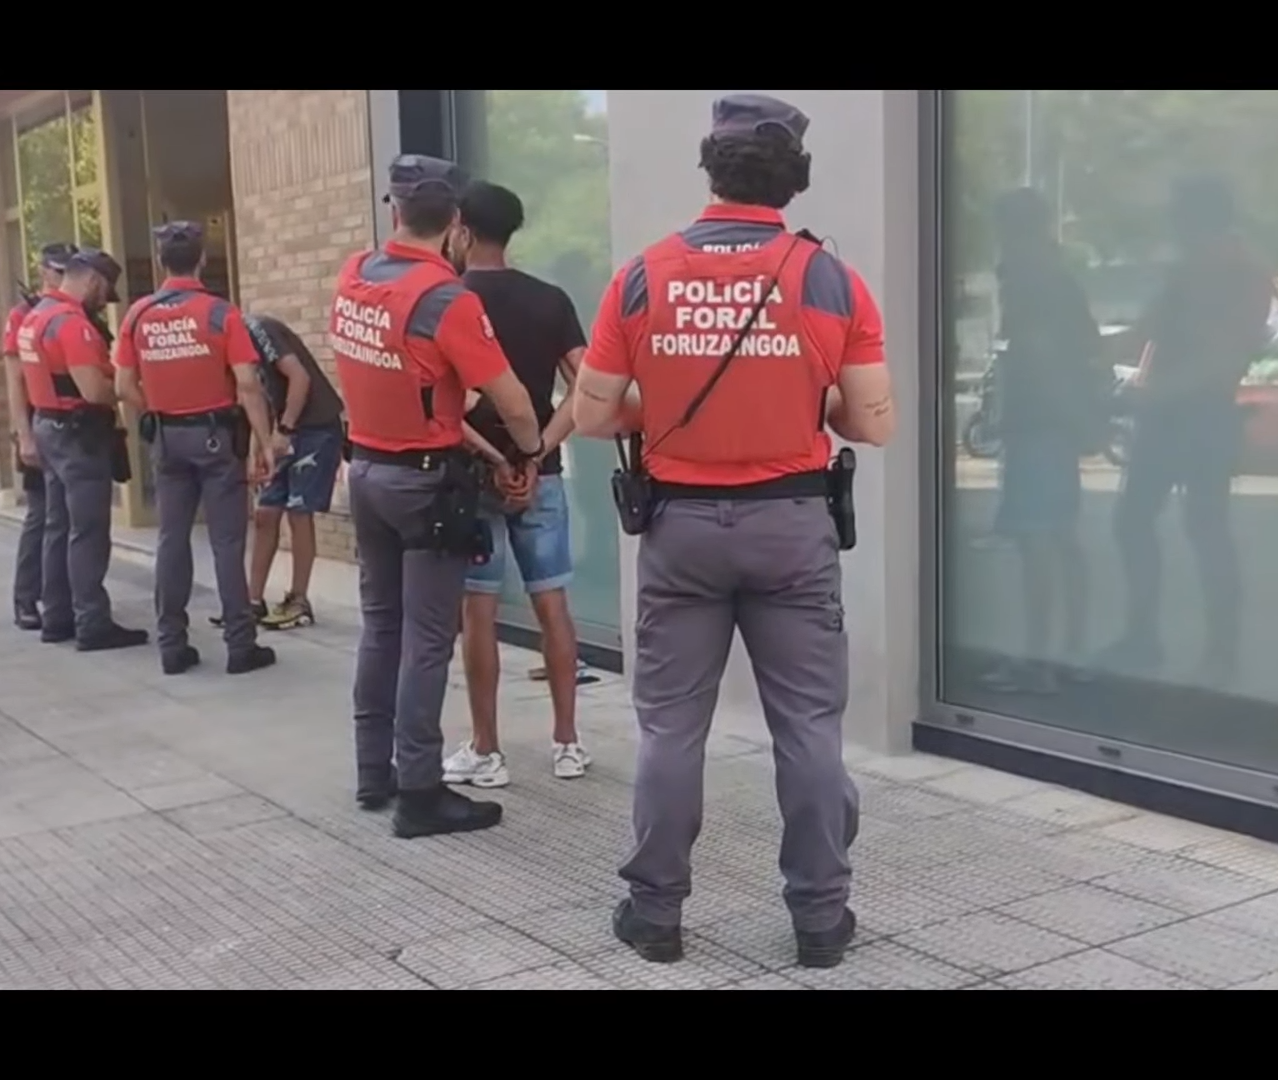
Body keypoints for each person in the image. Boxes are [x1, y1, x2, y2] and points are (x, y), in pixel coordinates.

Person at [571, 94, 896, 970]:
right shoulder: (830, 279)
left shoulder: (642, 275)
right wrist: (804, 400)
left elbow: (593, 414)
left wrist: (664, 408)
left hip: (679, 529)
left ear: (710, 168)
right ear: (795, 178)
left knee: (672, 729)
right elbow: (873, 422)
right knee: (809, 728)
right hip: (792, 527)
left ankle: (656, 914)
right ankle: (820, 919)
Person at [333, 153, 541, 838]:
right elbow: (512, 401)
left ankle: (374, 771)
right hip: (424, 486)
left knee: (381, 626)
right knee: (427, 638)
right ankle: (420, 792)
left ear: (395, 211)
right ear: (456, 222)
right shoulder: (447, 299)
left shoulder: (355, 275)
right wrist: (529, 451)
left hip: (366, 471)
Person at [442, 180, 590, 789]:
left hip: (474, 476)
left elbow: (440, 403)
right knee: (552, 605)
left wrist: (496, 459)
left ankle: (487, 749)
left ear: (462, 229)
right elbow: (586, 385)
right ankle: (568, 744)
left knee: (477, 611)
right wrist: (538, 451)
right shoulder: (551, 300)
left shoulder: (447, 300)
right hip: (541, 474)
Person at [1100, 176, 1273, 688]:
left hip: (1203, 415)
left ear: (1196, 216)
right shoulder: (1187, 269)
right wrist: (1089, 351)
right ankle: (1143, 638)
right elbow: (1146, 331)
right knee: (1135, 522)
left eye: (1178, 214)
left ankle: (1220, 652)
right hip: (1166, 416)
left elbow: (1226, 356)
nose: (1172, 225)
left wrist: (1158, 392)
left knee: (1206, 529)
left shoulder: (1242, 271)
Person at [115, 221, 280, 677]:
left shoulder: (138, 315)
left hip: (167, 439)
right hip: (216, 436)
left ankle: (171, 644)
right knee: (227, 542)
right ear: (202, 260)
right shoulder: (220, 313)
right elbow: (248, 384)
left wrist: (157, 410)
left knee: (171, 539)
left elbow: (123, 386)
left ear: (161, 262)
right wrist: (265, 441)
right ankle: (240, 645)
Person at [978, 189, 1101, 693]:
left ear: (1016, 232)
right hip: (1053, 429)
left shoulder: (1035, 284)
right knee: (1061, 539)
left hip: (1039, 430)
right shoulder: (1060, 280)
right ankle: (1071, 652)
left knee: (1038, 544)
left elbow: (1045, 359)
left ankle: (1039, 662)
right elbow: (1087, 346)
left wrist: (1066, 416)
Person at [16, 247, 148, 653]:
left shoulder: (35, 316)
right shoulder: (73, 324)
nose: (103, 302)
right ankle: (92, 621)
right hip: (79, 435)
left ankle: (57, 616)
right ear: (91, 280)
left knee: (58, 525)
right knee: (88, 530)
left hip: (48, 426)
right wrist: (123, 388)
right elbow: (92, 390)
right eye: (104, 292)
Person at [245, 313, 347, 632]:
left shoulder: (259, 329)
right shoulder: (230, 348)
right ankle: (252, 601)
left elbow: (299, 378)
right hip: (283, 429)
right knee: (265, 513)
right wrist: (259, 448)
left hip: (315, 427)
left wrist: (285, 430)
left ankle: (299, 600)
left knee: (298, 511)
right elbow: (255, 396)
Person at [6, 243, 76, 632]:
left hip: (70, 423)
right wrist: (24, 435)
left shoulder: (74, 310)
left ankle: (63, 599)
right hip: (38, 420)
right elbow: (15, 379)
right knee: (41, 513)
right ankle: (26, 597)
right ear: (44, 272)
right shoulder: (24, 315)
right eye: (59, 271)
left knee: (66, 516)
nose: (64, 278)